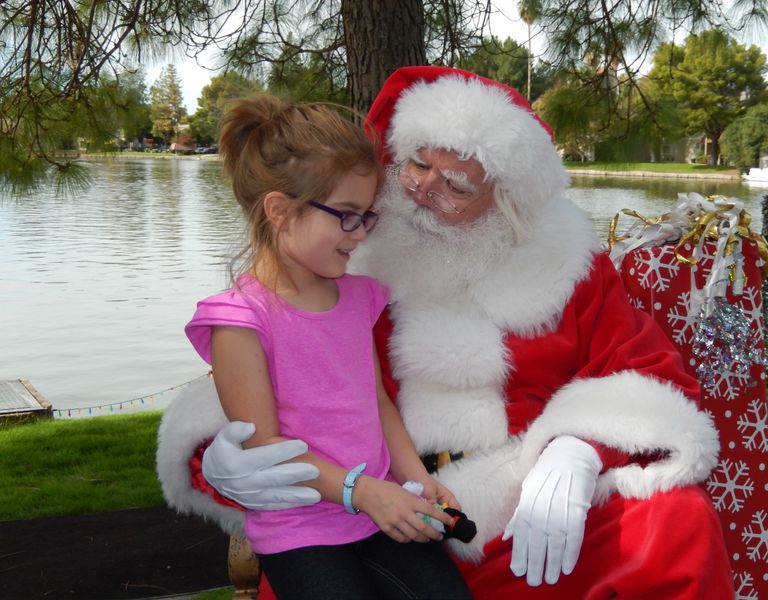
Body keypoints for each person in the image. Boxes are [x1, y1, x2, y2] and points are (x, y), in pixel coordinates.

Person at [157, 67, 734, 599]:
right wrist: (216, 455)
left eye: (457, 185)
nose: (424, 190)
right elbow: (264, 369)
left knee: (678, 526)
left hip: (520, 500)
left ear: (505, 197)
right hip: (361, 506)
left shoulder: (569, 264)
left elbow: (648, 371)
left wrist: (580, 449)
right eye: (414, 165)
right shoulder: (344, 246)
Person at [172, 93, 473, 600]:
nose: (359, 234)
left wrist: (418, 481)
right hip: (300, 532)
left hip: (381, 512)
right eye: (347, 215)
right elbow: (263, 448)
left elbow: (376, 403)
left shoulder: (359, 297)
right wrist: (361, 491)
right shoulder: (240, 321)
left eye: (367, 216)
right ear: (280, 210)